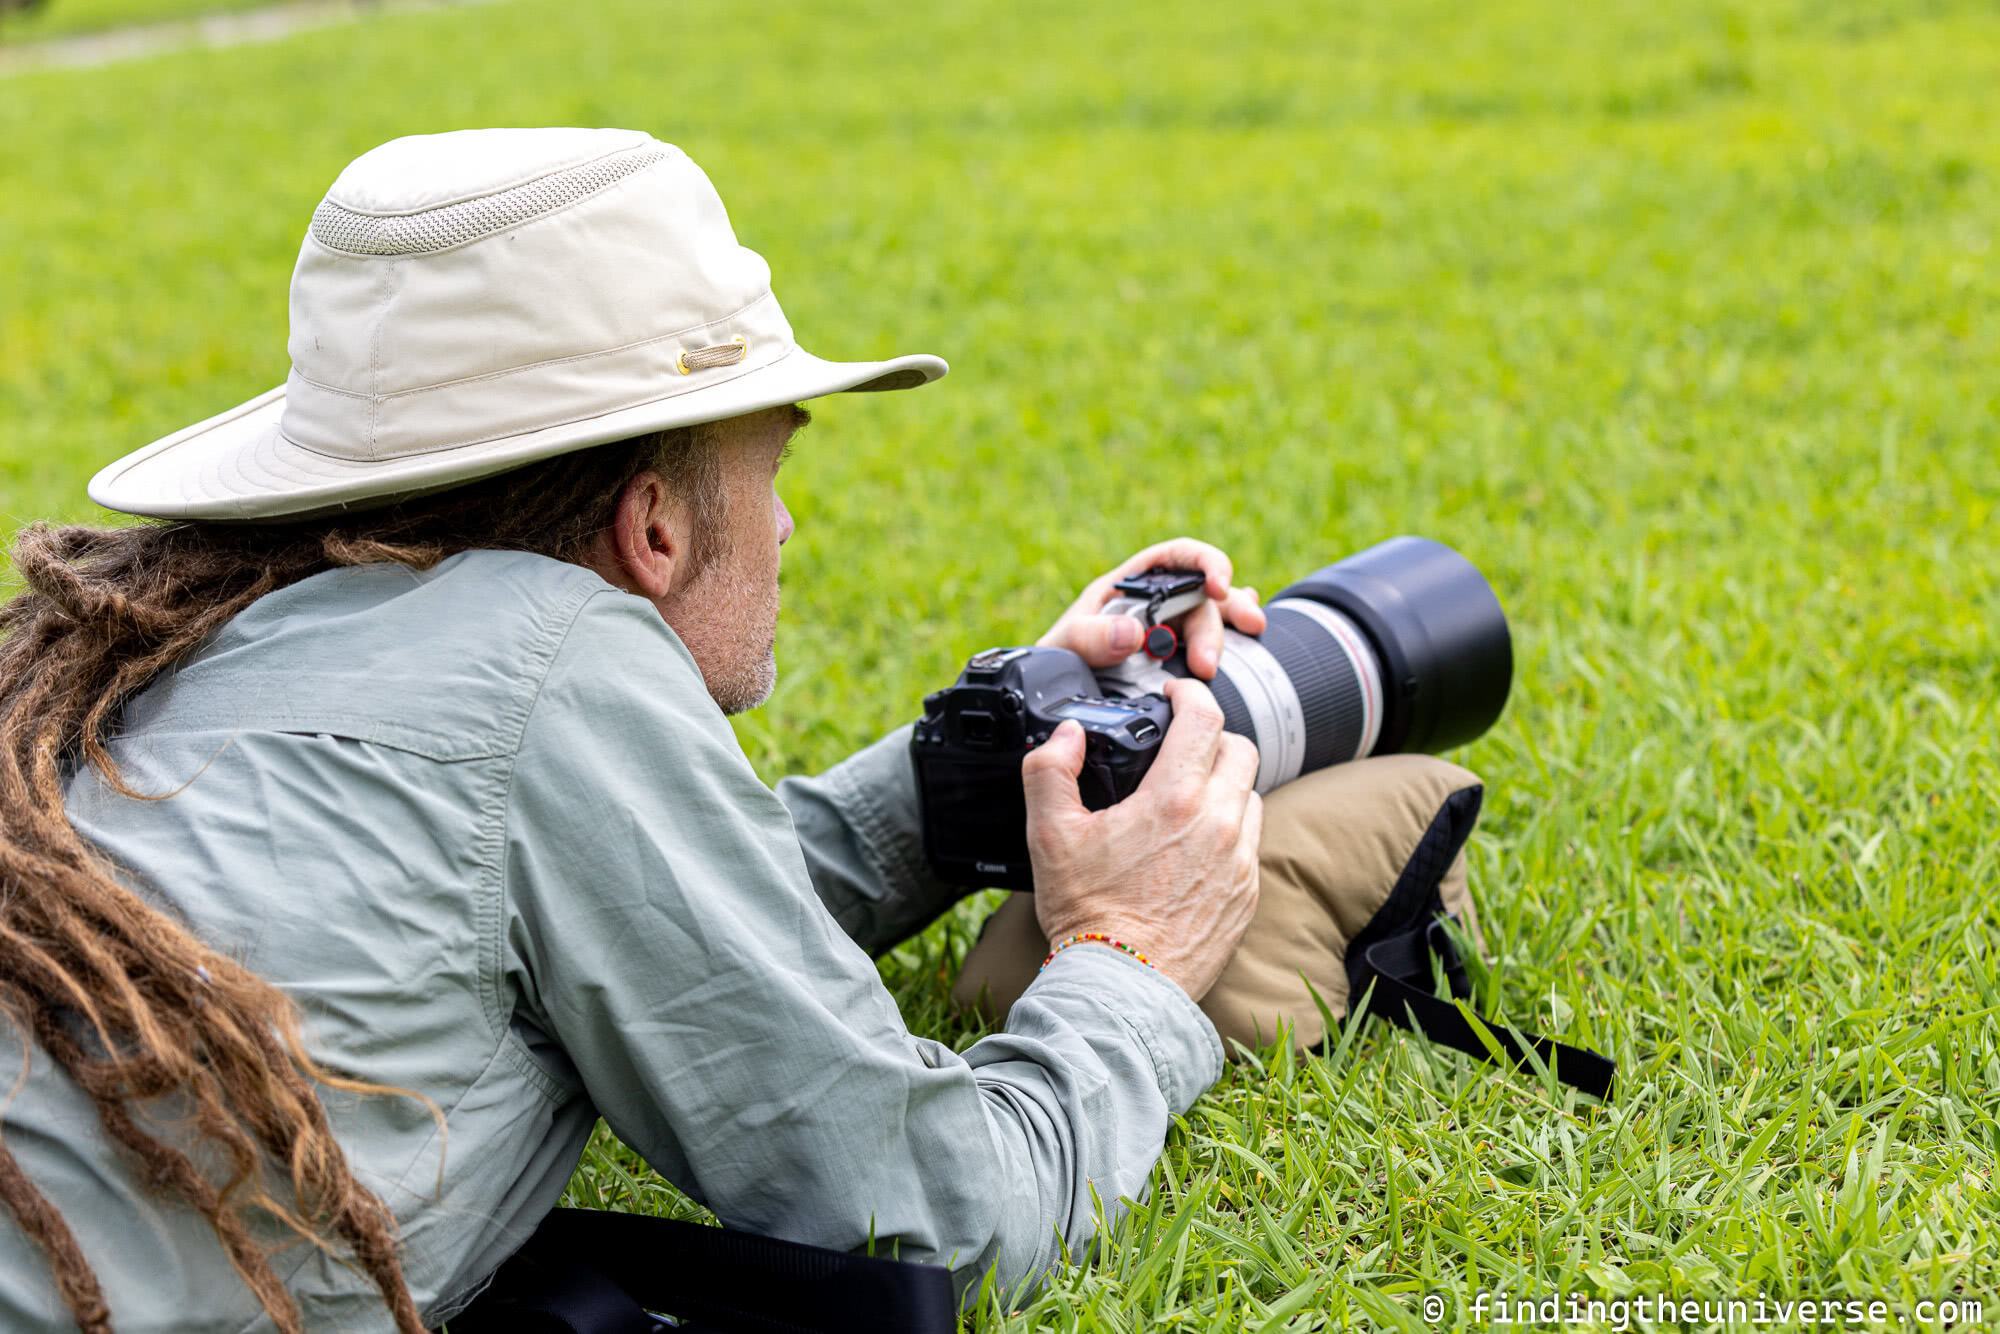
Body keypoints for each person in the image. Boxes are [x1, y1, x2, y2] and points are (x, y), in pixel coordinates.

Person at [0, 128, 1276, 1333]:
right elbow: (940, 1214)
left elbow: (635, 919)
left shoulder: (208, 630)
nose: (782, 531)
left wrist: (977, 755)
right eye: (770, 467)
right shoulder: (544, 641)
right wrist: (1130, 954)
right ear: (653, 526)